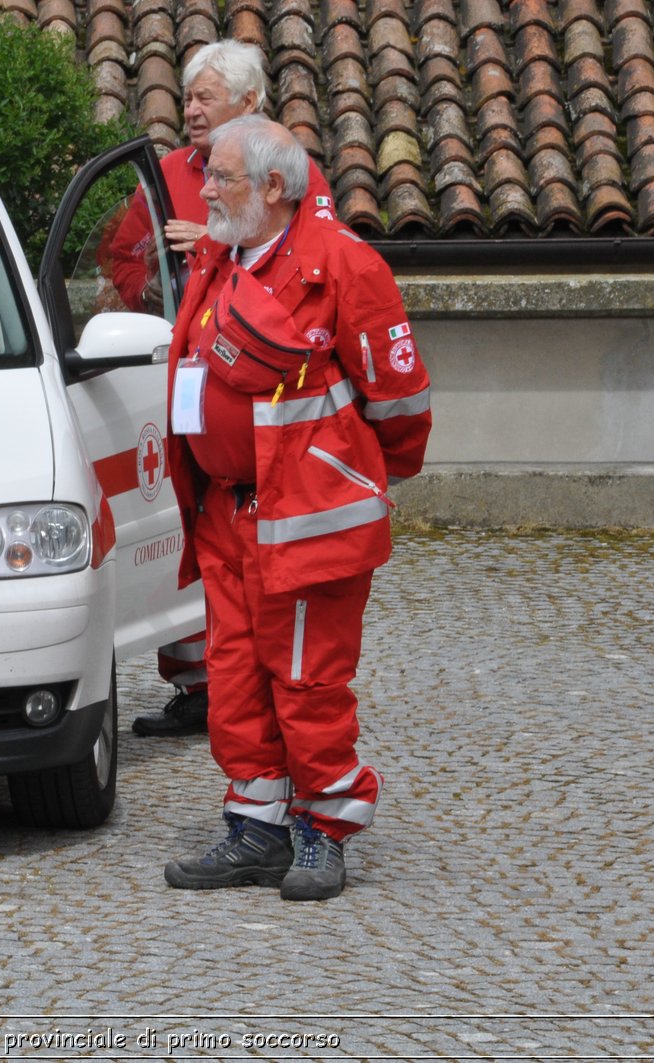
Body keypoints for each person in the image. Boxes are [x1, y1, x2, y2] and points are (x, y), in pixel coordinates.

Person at [159, 116, 432, 901]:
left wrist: (349, 478)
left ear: (273, 188)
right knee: (235, 675)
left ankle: (323, 828)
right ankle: (257, 828)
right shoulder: (218, 259)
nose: (203, 189)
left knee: (308, 681)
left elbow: (402, 409)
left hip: (308, 517)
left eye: (221, 177)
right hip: (226, 515)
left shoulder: (346, 266)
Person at [106, 39, 335, 738]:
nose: (192, 108)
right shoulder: (166, 171)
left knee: (254, 547)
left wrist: (208, 244)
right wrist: (150, 279)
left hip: (266, 399)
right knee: (184, 525)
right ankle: (196, 681)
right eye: (189, 95)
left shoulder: (292, 172)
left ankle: (258, 681)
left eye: (207, 96)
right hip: (178, 374)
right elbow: (121, 255)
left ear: (250, 103)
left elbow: (308, 263)